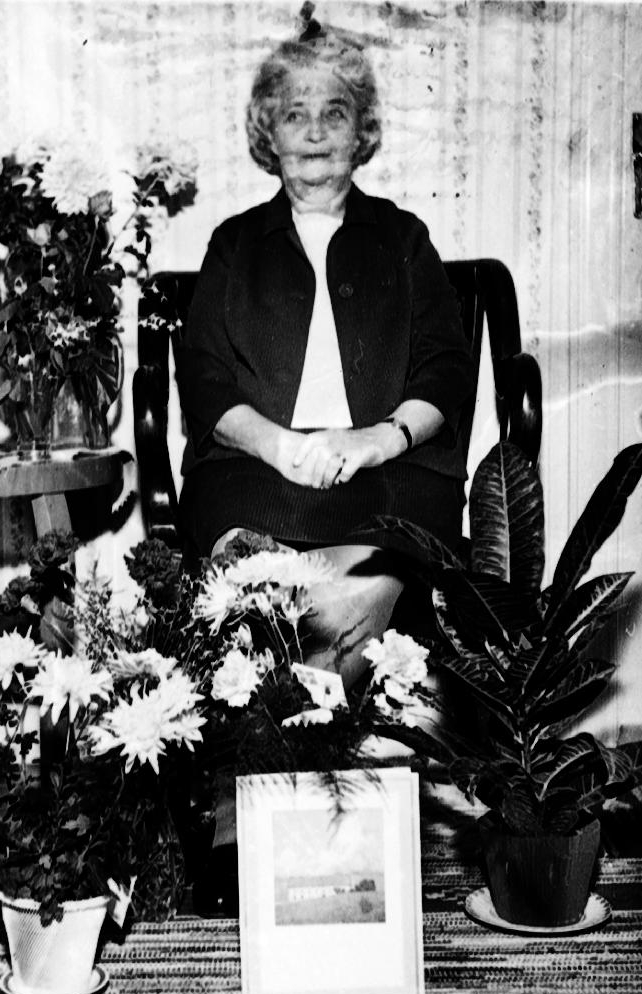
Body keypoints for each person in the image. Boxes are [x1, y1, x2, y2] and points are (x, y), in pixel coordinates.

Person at [175, 15, 476, 687]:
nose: (314, 132)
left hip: (386, 477)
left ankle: (307, 712)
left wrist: (375, 440)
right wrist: (276, 444)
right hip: (254, 475)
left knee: (348, 595)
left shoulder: (403, 237)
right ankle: (308, 709)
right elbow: (202, 376)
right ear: (269, 132)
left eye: (334, 113)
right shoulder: (233, 244)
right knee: (257, 578)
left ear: (360, 130)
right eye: (295, 114)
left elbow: (446, 367)